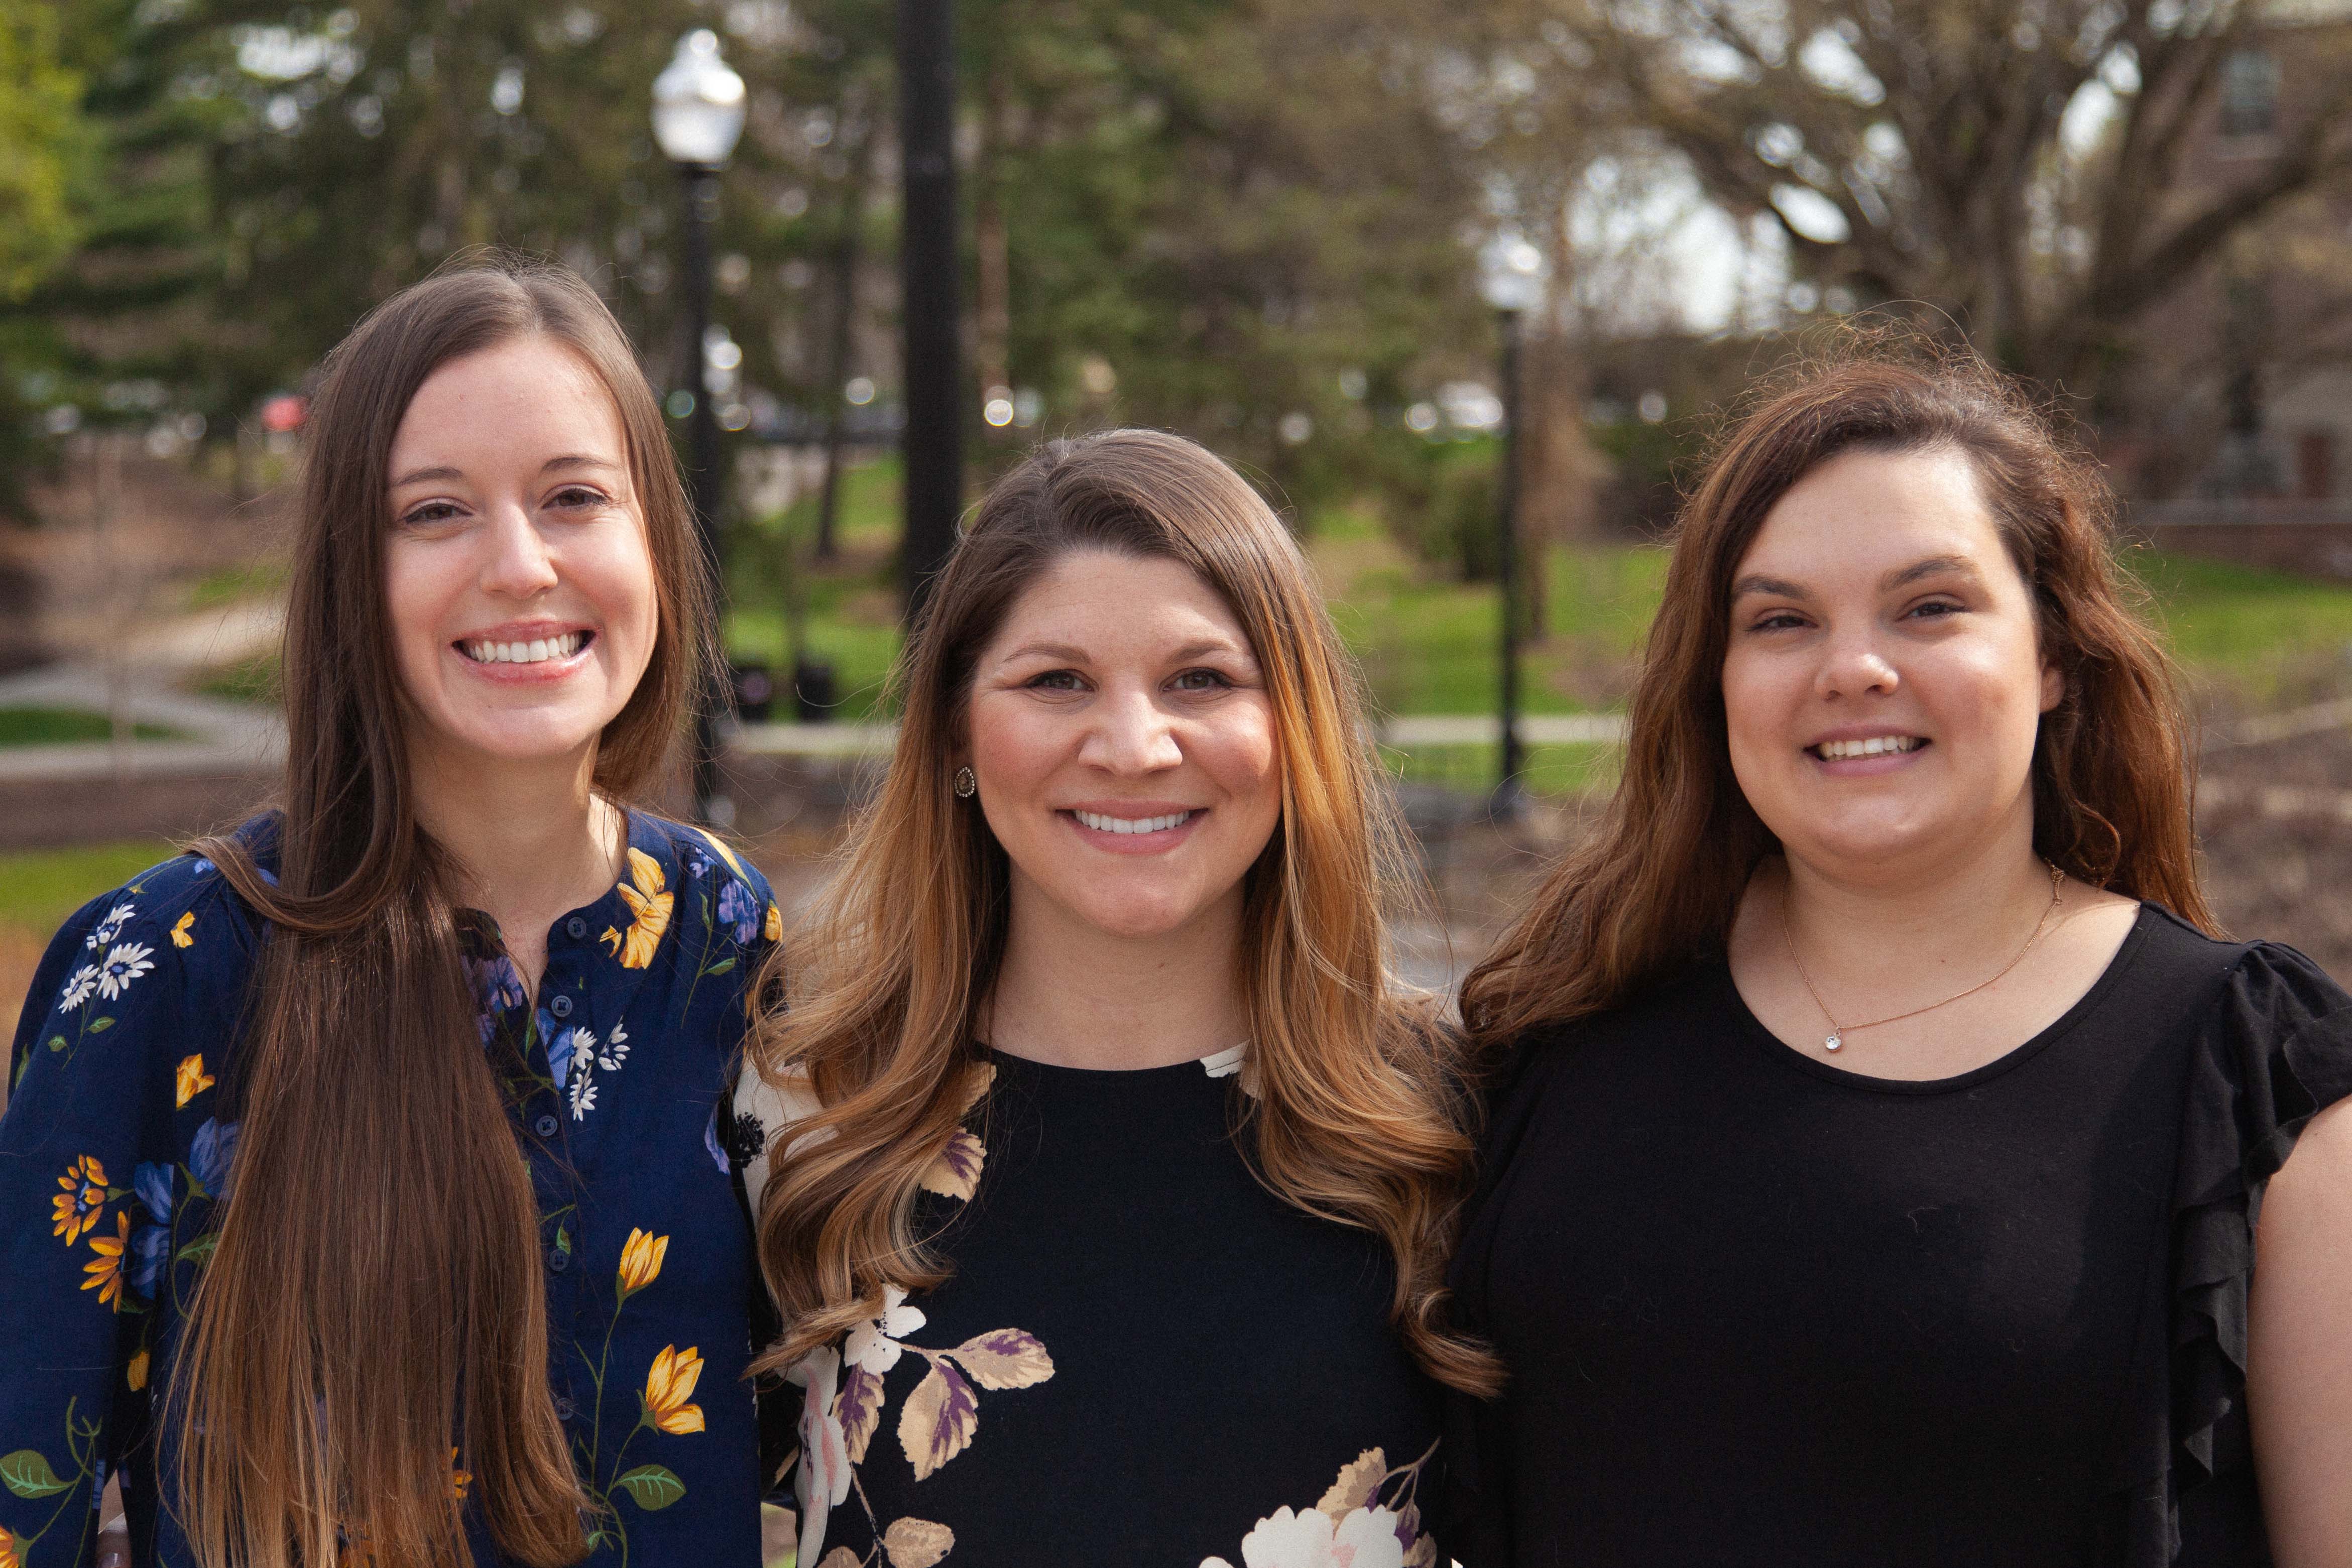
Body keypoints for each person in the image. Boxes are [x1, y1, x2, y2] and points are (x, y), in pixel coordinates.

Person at [1442, 343, 2352, 1567]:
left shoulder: (2254, 1084)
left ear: (2051, 659)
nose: (1851, 667)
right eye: (1779, 619)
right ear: (1714, 682)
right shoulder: (1556, 1034)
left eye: (1928, 606)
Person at [0, 259, 780, 1568]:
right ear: (351, 574)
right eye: (435, 511)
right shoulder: (159, 970)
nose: (520, 565)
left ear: (653, 538)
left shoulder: (723, 929)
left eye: (574, 496)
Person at [731, 429, 1492, 1567]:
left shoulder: (1451, 1114)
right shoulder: (807, 1099)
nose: (1133, 745)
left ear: (1293, 725)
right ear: (955, 732)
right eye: (1055, 681)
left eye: (1201, 679)